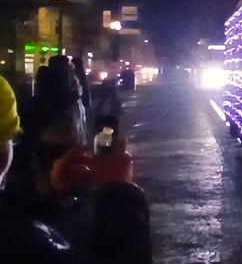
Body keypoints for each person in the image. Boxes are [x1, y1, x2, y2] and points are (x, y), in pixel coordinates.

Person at [0, 75, 151, 263]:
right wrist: (120, 194)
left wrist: (46, 187)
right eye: (10, 137)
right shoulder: (20, 242)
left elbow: (8, 209)